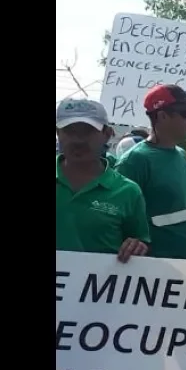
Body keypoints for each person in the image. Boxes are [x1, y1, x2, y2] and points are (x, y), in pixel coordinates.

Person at [116, 84, 186, 259]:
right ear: (163, 116)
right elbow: (118, 217)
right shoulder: (135, 160)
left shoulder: (182, 155)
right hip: (157, 269)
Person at [55, 98, 149, 262]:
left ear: (107, 134)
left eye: (87, 131)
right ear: (58, 133)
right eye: (70, 131)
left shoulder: (128, 191)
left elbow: (139, 241)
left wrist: (137, 246)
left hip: (99, 286)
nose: (78, 140)